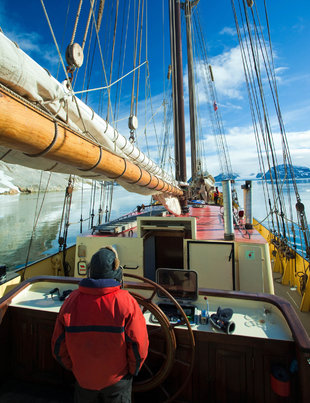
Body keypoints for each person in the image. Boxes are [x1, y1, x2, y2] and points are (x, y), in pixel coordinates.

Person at [51, 246, 149, 403]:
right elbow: (139, 346)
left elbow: (58, 346)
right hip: (117, 382)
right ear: (117, 272)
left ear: (90, 272)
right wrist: (132, 371)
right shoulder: (127, 302)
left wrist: (75, 368)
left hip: (83, 380)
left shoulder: (71, 301)